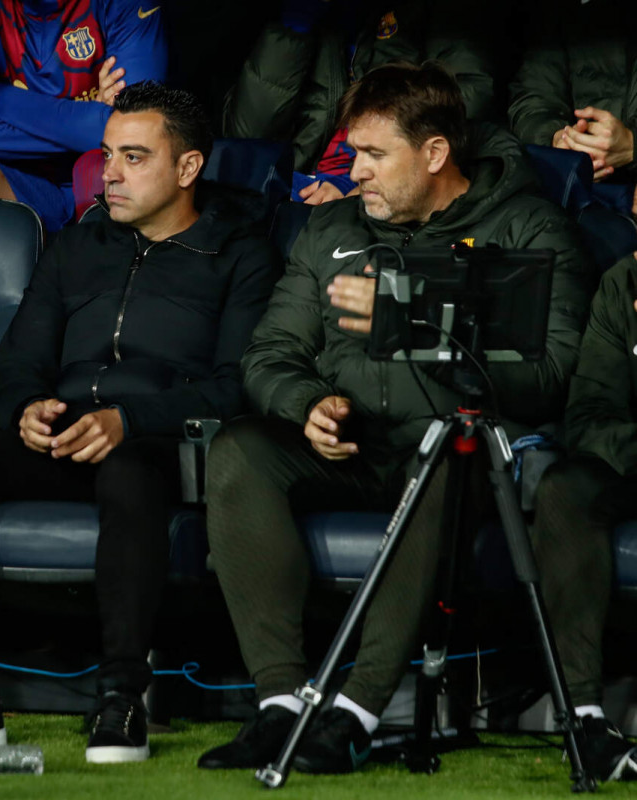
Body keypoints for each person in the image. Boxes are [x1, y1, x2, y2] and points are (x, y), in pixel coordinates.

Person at [199, 61, 592, 775]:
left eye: (375, 155)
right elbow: (270, 353)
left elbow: (549, 378)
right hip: (348, 447)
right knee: (237, 449)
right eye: (353, 154)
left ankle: (353, 711)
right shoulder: (328, 229)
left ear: (435, 153)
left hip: (453, 460)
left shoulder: (527, 227)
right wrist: (306, 404)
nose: (356, 174)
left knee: (452, 451)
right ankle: (280, 704)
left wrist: (411, 322)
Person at [0, 81, 278, 764]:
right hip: (60, 434)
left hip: (158, 444)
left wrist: (129, 418)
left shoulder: (239, 254)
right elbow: (15, 364)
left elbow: (234, 385)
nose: (109, 174)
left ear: (186, 170)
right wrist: (23, 410)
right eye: (105, 155)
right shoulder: (75, 245)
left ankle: (121, 699)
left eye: (132, 157)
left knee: (128, 474)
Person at [528, 251, 637, 782]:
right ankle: (586, 721)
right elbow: (592, 412)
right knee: (565, 489)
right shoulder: (624, 281)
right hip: (632, 458)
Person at [223, 0, 498, 207]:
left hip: (377, 185)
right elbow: (247, 135)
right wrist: (290, 33)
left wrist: (356, 184)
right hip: (289, 181)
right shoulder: (294, 13)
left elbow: (463, 103)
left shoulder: (433, 14)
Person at [0, 0, 167, 233]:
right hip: (23, 180)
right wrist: (91, 120)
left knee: (103, 167)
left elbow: (133, 129)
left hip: (102, 179)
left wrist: (1, 99)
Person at [508, 0, 637, 218]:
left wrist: (633, 145)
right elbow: (534, 98)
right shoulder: (562, 13)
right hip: (580, 195)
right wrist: (559, 140)